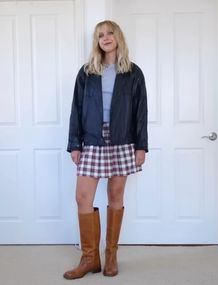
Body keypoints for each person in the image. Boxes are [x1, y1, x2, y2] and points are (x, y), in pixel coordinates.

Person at [63, 20, 148, 279]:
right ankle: (90, 258)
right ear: (97, 41)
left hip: (123, 139)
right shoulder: (87, 72)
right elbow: (76, 109)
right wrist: (74, 144)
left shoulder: (133, 73)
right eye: (100, 35)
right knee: (82, 197)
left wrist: (141, 146)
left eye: (110, 33)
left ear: (118, 37)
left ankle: (111, 255)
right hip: (92, 139)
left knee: (115, 195)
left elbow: (141, 112)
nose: (106, 37)